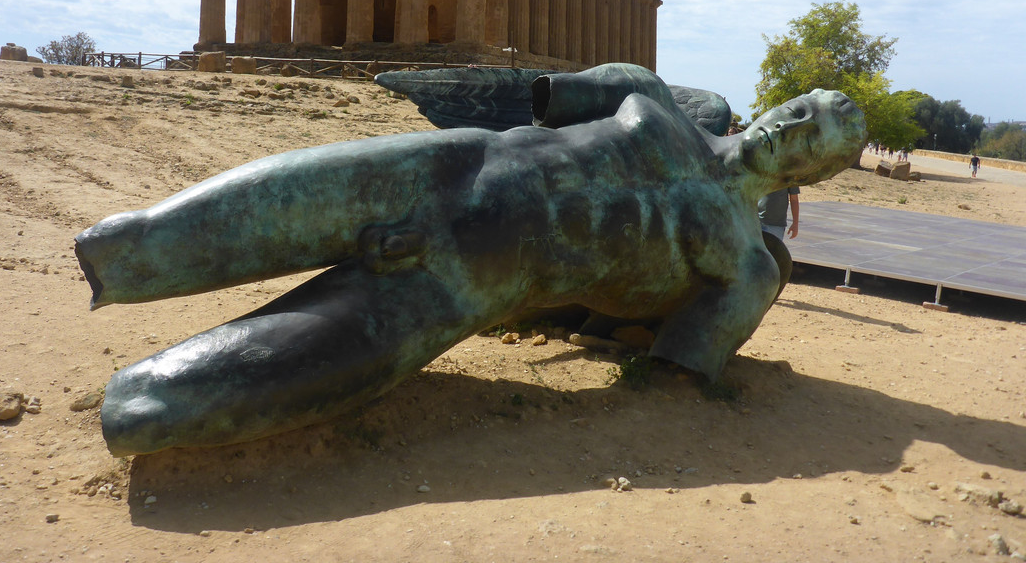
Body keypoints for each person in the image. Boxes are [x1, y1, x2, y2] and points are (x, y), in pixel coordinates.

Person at [76, 64, 867, 455]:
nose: (790, 132)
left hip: (476, 279)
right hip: (449, 165)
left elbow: (673, 372)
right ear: (780, 101)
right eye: (799, 112)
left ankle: (134, 403)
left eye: (812, 144)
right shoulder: (651, 97)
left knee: (163, 409)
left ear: (816, 174)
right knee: (147, 240)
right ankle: (116, 264)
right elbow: (531, 96)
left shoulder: (746, 266)